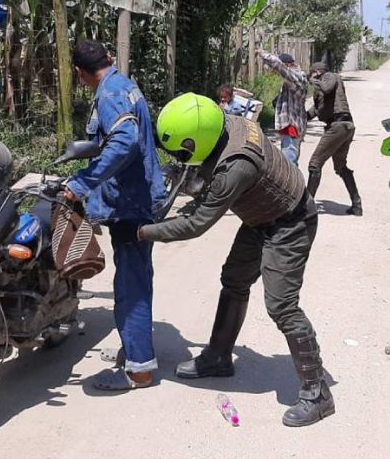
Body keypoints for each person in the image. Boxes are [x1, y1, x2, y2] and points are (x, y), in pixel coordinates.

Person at [140, 93, 334, 427]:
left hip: (291, 221)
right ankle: (218, 357)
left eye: (181, 151)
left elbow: (196, 223)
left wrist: (143, 232)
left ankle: (318, 393)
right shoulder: (228, 123)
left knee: (282, 306)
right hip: (263, 215)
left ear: (196, 140)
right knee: (234, 279)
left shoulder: (235, 167)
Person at [63, 39, 167, 389]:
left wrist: (83, 182)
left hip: (131, 206)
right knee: (136, 278)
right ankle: (133, 351)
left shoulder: (108, 96)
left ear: (79, 73)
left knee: (130, 285)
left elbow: (124, 141)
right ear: (108, 58)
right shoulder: (124, 85)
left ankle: (139, 370)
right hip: (142, 198)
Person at [306, 62, 361, 215]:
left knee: (314, 164)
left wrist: (314, 80)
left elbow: (327, 87)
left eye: (312, 74)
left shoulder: (330, 76)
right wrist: (300, 117)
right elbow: (315, 110)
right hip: (344, 127)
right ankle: (357, 205)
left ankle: (305, 208)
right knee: (340, 167)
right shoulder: (324, 87)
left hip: (338, 126)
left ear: (316, 72)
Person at [257, 50, 308, 165]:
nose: (276, 73)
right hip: (289, 126)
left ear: (287, 66)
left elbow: (279, 66)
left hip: (291, 126)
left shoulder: (297, 78)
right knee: (290, 159)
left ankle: (293, 183)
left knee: (289, 162)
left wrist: (262, 54)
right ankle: (295, 182)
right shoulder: (291, 82)